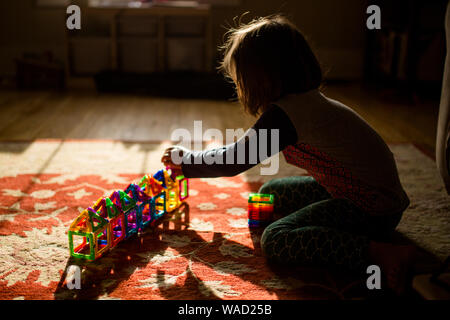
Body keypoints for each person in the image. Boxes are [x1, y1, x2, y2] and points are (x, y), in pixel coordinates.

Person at [162, 15, 415, 294]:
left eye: (240, 80)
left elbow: (234, 160)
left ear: (261, 79)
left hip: (373, 209)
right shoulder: (305, 102)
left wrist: (186, 161)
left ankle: (378, 252)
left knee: (276, 239)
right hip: (362, 191)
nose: (240, 88)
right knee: (273, 191)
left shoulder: (285, 116)